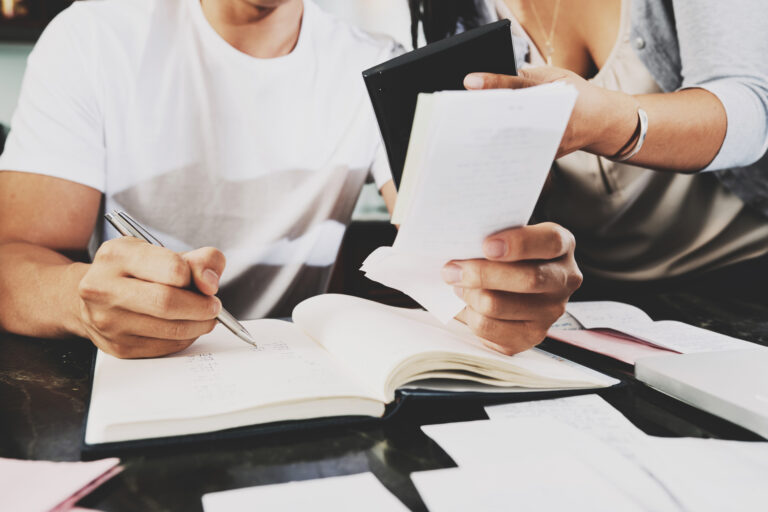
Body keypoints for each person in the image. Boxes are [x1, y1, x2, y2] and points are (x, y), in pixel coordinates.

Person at [0, 0, 582, 359]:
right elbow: (13, 255)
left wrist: (501, 290)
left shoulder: (376, 65)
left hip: (298, 374)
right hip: (135, 372)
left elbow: (447, 239)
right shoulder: (94, 37)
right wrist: (82, 304)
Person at [413, 0, 768, 286]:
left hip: (743, 267)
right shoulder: (451, 13)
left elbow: (751, 112)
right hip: (588, 297)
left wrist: (609, 122)